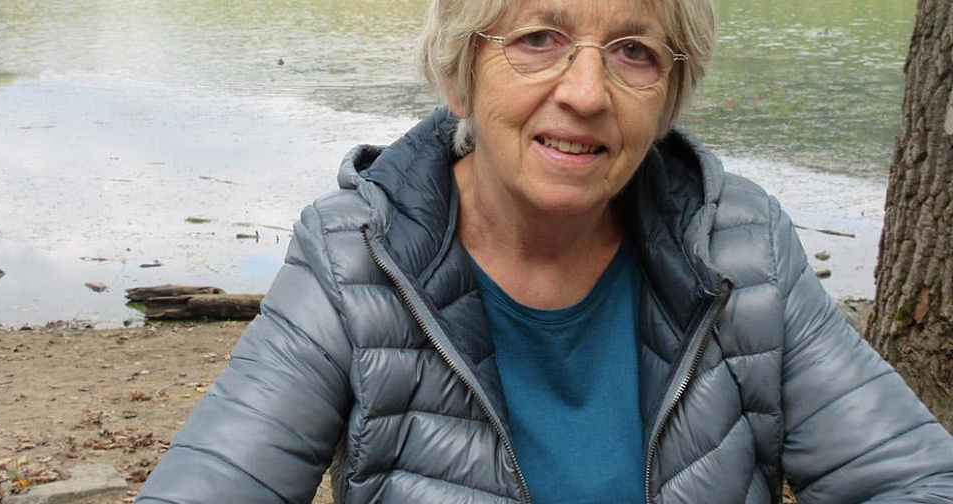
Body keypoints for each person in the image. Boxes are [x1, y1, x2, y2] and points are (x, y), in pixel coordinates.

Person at [137, 0, 953, 503]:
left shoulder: (741, 245)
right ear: (460, 72)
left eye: (634, 51)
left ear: (669, 94)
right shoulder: (355, 258)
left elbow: (915, 478)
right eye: (537, 38)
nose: (587, 93)